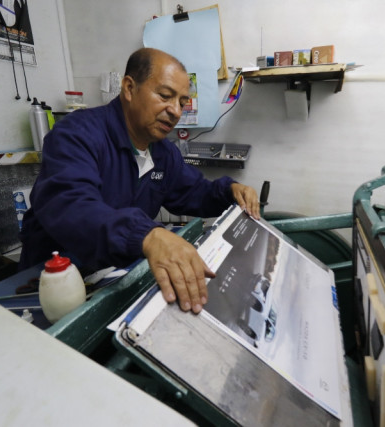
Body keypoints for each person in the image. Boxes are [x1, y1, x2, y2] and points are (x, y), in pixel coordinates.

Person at [19, 47, 259, 314]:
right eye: (165, 96)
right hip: (53, 283)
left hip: (111, 276)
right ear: (130, 88)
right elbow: (72, 205)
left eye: (182, 102)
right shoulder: (77, 135)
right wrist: (147, 235)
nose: (175, 111)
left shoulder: (163, 152)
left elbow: (195, 191)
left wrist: (230, 191)